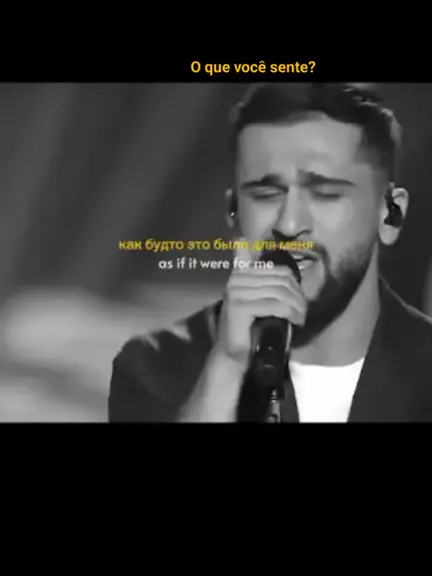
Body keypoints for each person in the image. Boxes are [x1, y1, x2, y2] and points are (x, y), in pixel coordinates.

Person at [109, 82, 432, 423]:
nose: (289, 225)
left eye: (325, 193)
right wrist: (227, 366)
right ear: (234, 214)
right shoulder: (154, 366)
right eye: (266, 195)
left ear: (390, 215)